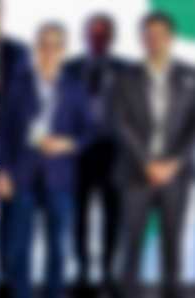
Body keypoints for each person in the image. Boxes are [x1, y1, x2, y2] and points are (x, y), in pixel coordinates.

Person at [0, 23, 92, 298]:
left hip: (60, 176)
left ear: (63, 51)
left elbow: (88, 130)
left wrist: (69, 143)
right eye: (44, 45)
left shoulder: (75, 88)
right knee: (20, 245)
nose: (49, 51)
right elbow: (4, 130)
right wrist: (2, 171)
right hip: (22, 176)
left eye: (56, 46)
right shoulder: (19, 85)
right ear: (37, 49)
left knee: (57, 247)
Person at [110, 13, 195, 298]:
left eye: (160, 35)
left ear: (170, 39)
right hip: (137, 171)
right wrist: (147, 161)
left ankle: (172, 290)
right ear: (143, 39)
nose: (154, 40)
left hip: (176, 174)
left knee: (172, 239)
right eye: (149, 35)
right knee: (132, 238)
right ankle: (130, 290)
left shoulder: (189, 76)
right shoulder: (127, 78)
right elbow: (122, 122)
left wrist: (174, 162)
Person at [62, 14, 128, 288]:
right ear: (86, 38)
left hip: (114, 151)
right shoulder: (71, 68)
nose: (98, 39)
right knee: (79, 213)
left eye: (103, 34)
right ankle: (83, 271)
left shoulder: (125, 69)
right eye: (93, 34)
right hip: (79, 153)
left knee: (114, 213)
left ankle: (110, 271)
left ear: (109, 38)